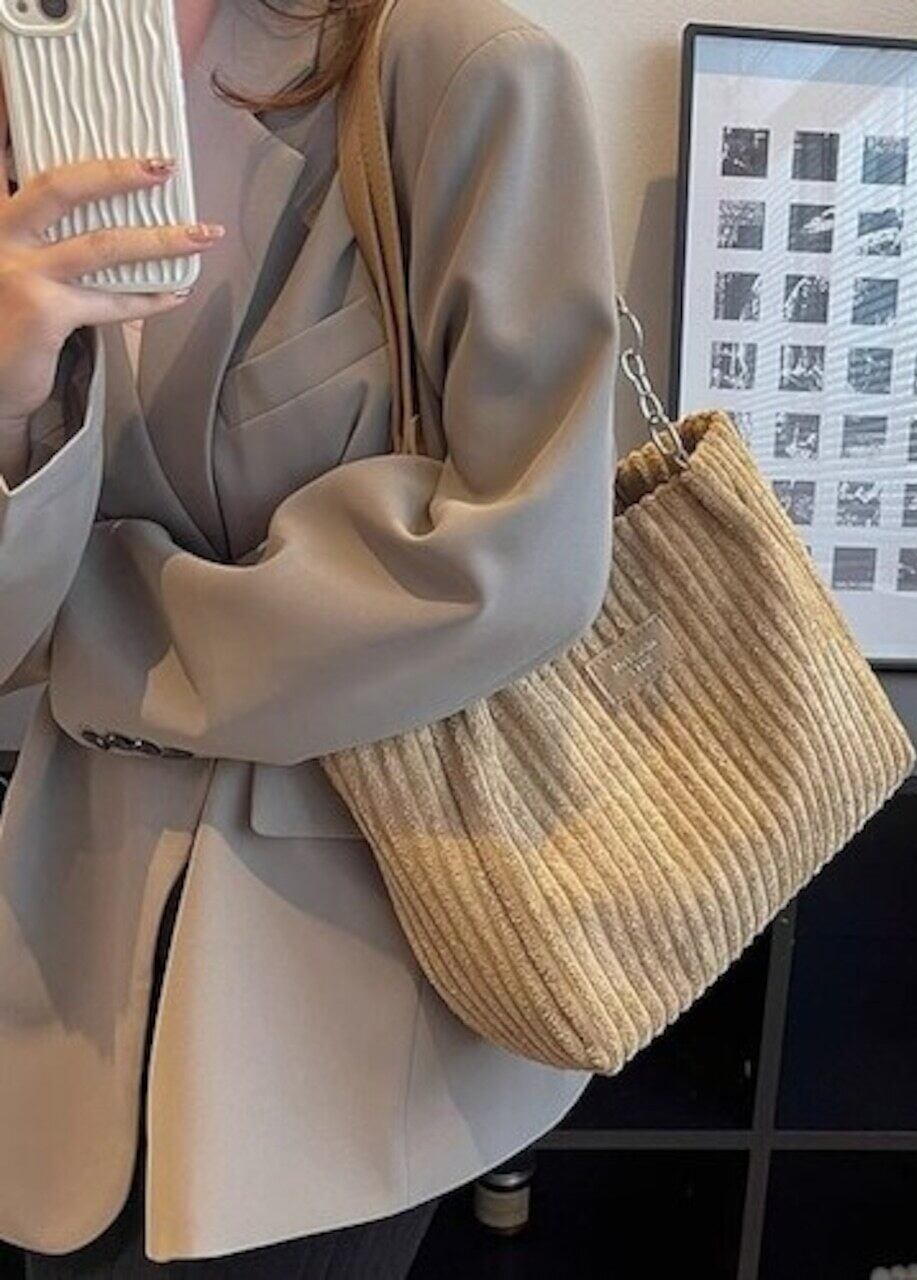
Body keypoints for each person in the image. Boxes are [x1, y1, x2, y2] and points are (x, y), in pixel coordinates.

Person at [0, 0, 618, 1273]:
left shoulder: (456, 70)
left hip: (335, 971)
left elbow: (518, 561)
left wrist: (110, 635)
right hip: (63, 944)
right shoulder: (33, 61)